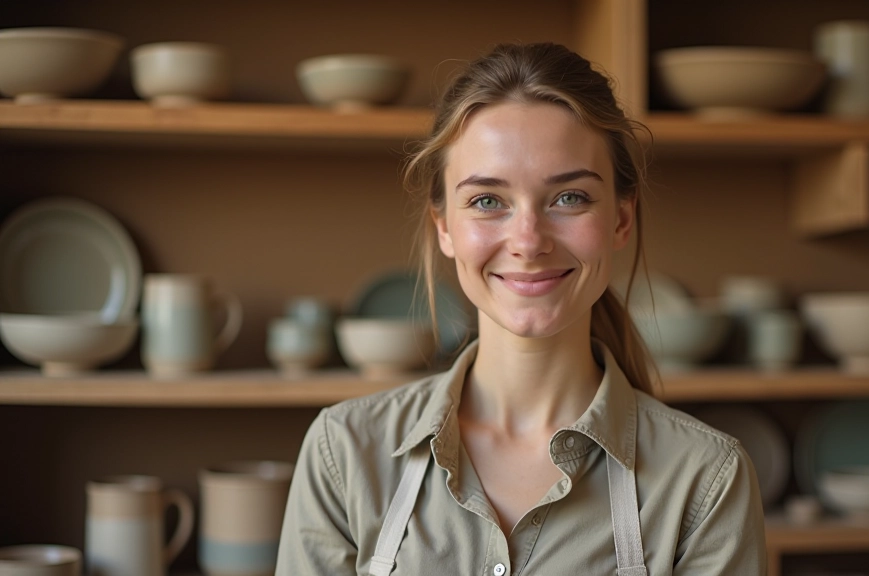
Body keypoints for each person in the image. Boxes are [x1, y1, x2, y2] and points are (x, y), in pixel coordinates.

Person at [276, 42, 766, 575]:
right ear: (444, 227)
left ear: (621, 220)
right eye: (488, 201)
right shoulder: (344, 453)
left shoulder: (706, 480)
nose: (528, 241)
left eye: (570, 197)